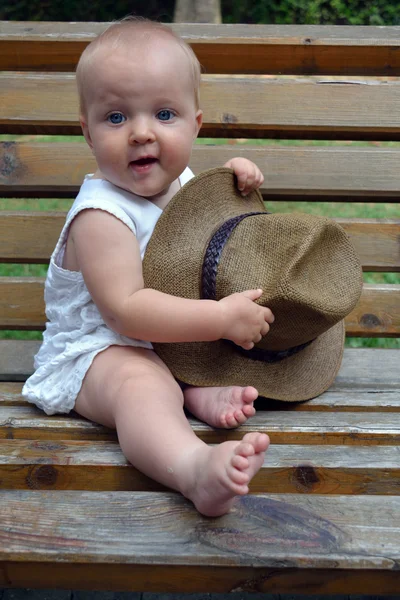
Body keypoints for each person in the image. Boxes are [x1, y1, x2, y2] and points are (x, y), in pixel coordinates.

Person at [22, 18, 274, 517]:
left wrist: (230, 180)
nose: (141, 133)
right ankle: (193, 469)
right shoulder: (101, 215)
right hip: (96, 352)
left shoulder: (181, 180)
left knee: (184, 364)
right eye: (116, 118)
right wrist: (220, 319)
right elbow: (127, 312)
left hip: (163, 341)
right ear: (87, 131)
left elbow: (206, 230)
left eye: (163, 113)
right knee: (143, 385)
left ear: (194, 125)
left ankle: (194, 392)